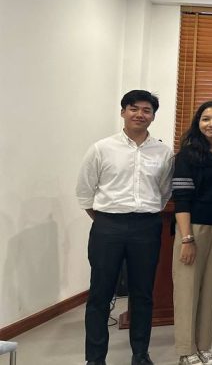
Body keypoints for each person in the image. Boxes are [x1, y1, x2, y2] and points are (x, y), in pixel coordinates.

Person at [76, 90, 174, 365]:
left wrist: (143, 214)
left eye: (146, 110)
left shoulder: (163, 152)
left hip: (147, 227)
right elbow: (85, 192)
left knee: (143, 294)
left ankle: (140, 354)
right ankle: (95, 358)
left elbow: (164, 192)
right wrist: (107, 220)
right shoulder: (101, 148)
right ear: (123, 112)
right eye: (134, 108)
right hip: (108, 226)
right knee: (100, 294)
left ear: (153, 116)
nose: (140, 114)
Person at [172, 101, 212, 365]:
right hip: (193, 229)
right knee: (187, 291)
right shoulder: (187, 155)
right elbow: (181, 199)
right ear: (198, 123)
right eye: (206, 118)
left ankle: (204, 346)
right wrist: (187, 238)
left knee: (210, 291)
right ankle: (186, 350)